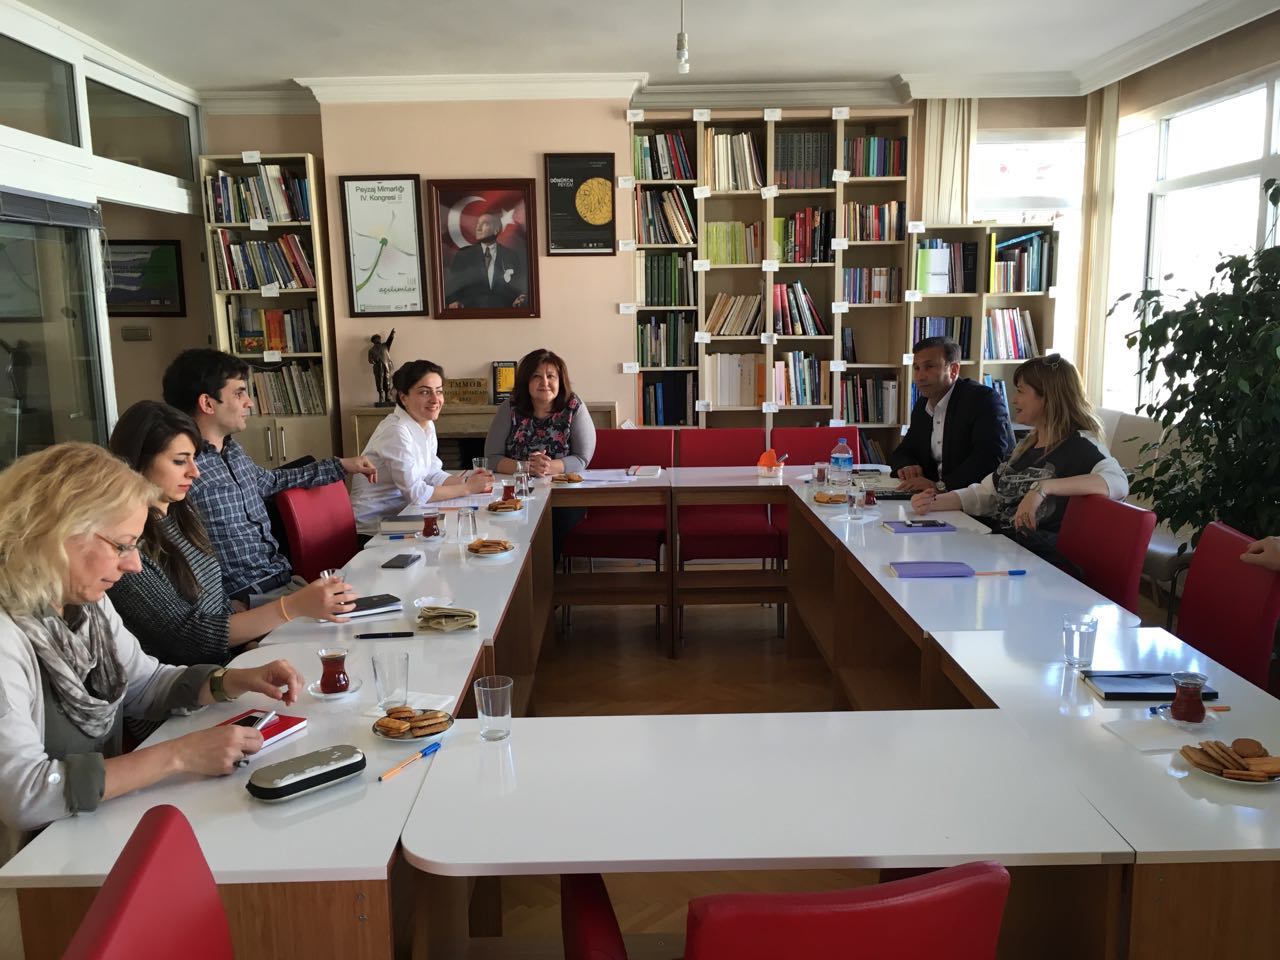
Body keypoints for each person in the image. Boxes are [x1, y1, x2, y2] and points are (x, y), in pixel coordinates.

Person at [0, 443, 304, 837]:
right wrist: (180, 755)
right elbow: (24, 796)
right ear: (59, 532)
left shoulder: (86, 605)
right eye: (122, 545)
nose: (133, 564)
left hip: (88, 830)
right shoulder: (8, 633)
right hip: (33, 862)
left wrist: (231, 679)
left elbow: (144, 684)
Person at [106, 401, 357, 665]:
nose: (195, 472)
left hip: (233, 656)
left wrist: (251, 644)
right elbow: (187, 639)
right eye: (180, 461)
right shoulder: (127, 546)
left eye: (193, 459)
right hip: (194, 677)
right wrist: (291, 607)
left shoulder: (183, 514)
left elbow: (216, 601)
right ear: (137, 463)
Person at [162, 348, 377, 605]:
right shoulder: (181, 470)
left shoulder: (233, 451)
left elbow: (272, 481)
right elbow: (174, 553)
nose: (250, 402)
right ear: (207, 403)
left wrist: (341, 465)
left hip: (285, 582)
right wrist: (223, 608)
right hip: (245, 599)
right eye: (239, 393)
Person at [910, 355, 1128, 556]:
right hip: (1003, 549)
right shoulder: (1028, 444)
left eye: (1021, 391)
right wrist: (933, 502)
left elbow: (1118, 482)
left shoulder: (1081, 445)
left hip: (1037, 561)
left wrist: (1042, 488)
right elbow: (988, 493)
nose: (1013, 400)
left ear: (1048, 396)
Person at [350, 360, 491, 538]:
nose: (435, 399)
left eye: (439, 391)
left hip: (405, 517)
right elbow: (416, 494)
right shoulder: (396, 430)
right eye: (425, 392)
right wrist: (467, 488)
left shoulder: (426, 423)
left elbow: (432, 473)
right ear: (403, 398)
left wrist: (468, 481)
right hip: (375, 528)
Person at [485, 348, 595, 557]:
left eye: (551, 376)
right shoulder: (510, 407)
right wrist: (526, 467)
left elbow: (582, 458)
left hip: (562, 493)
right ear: (526, 382)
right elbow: (491, 457)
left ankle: (542, 575)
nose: (544, 382)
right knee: (510, 518)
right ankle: (517, 568)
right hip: (516, 489)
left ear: (560, 380)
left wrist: (547, 467)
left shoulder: (573, 406)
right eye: (536, 376)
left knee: (556, 520)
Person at [891, 337, 1014, 493]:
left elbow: (989, 459)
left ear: (954, 370)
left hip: (980, 499)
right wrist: (907, 465)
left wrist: (940, 486)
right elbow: (904, 450)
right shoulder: (923, 406)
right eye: (916, 368)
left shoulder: (982, 401)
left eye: (929, 367)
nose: (920, 377)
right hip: (936, 498)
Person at [445, 212, 528, 309]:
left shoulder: (510, 255)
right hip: (471, 312)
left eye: (485, 224)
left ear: (496, 230)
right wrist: (453, 302)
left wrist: (519, 298)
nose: (478, 228)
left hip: (503, 313)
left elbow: (518, 287)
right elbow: (452, 286)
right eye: (477, 224)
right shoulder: (463, 255)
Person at [368, 329, 396, 405]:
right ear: (373, 341)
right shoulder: (371, 350)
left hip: (386, 366)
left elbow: (390, 340)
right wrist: (375, 361)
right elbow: (370, 360)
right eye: (376, 339)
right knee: (379, 382)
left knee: (387, 381)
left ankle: (387, 397)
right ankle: (381, 397)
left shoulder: (385, 346)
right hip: (378, 367)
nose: (378, 340)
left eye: (378, 338)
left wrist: (392, 334)